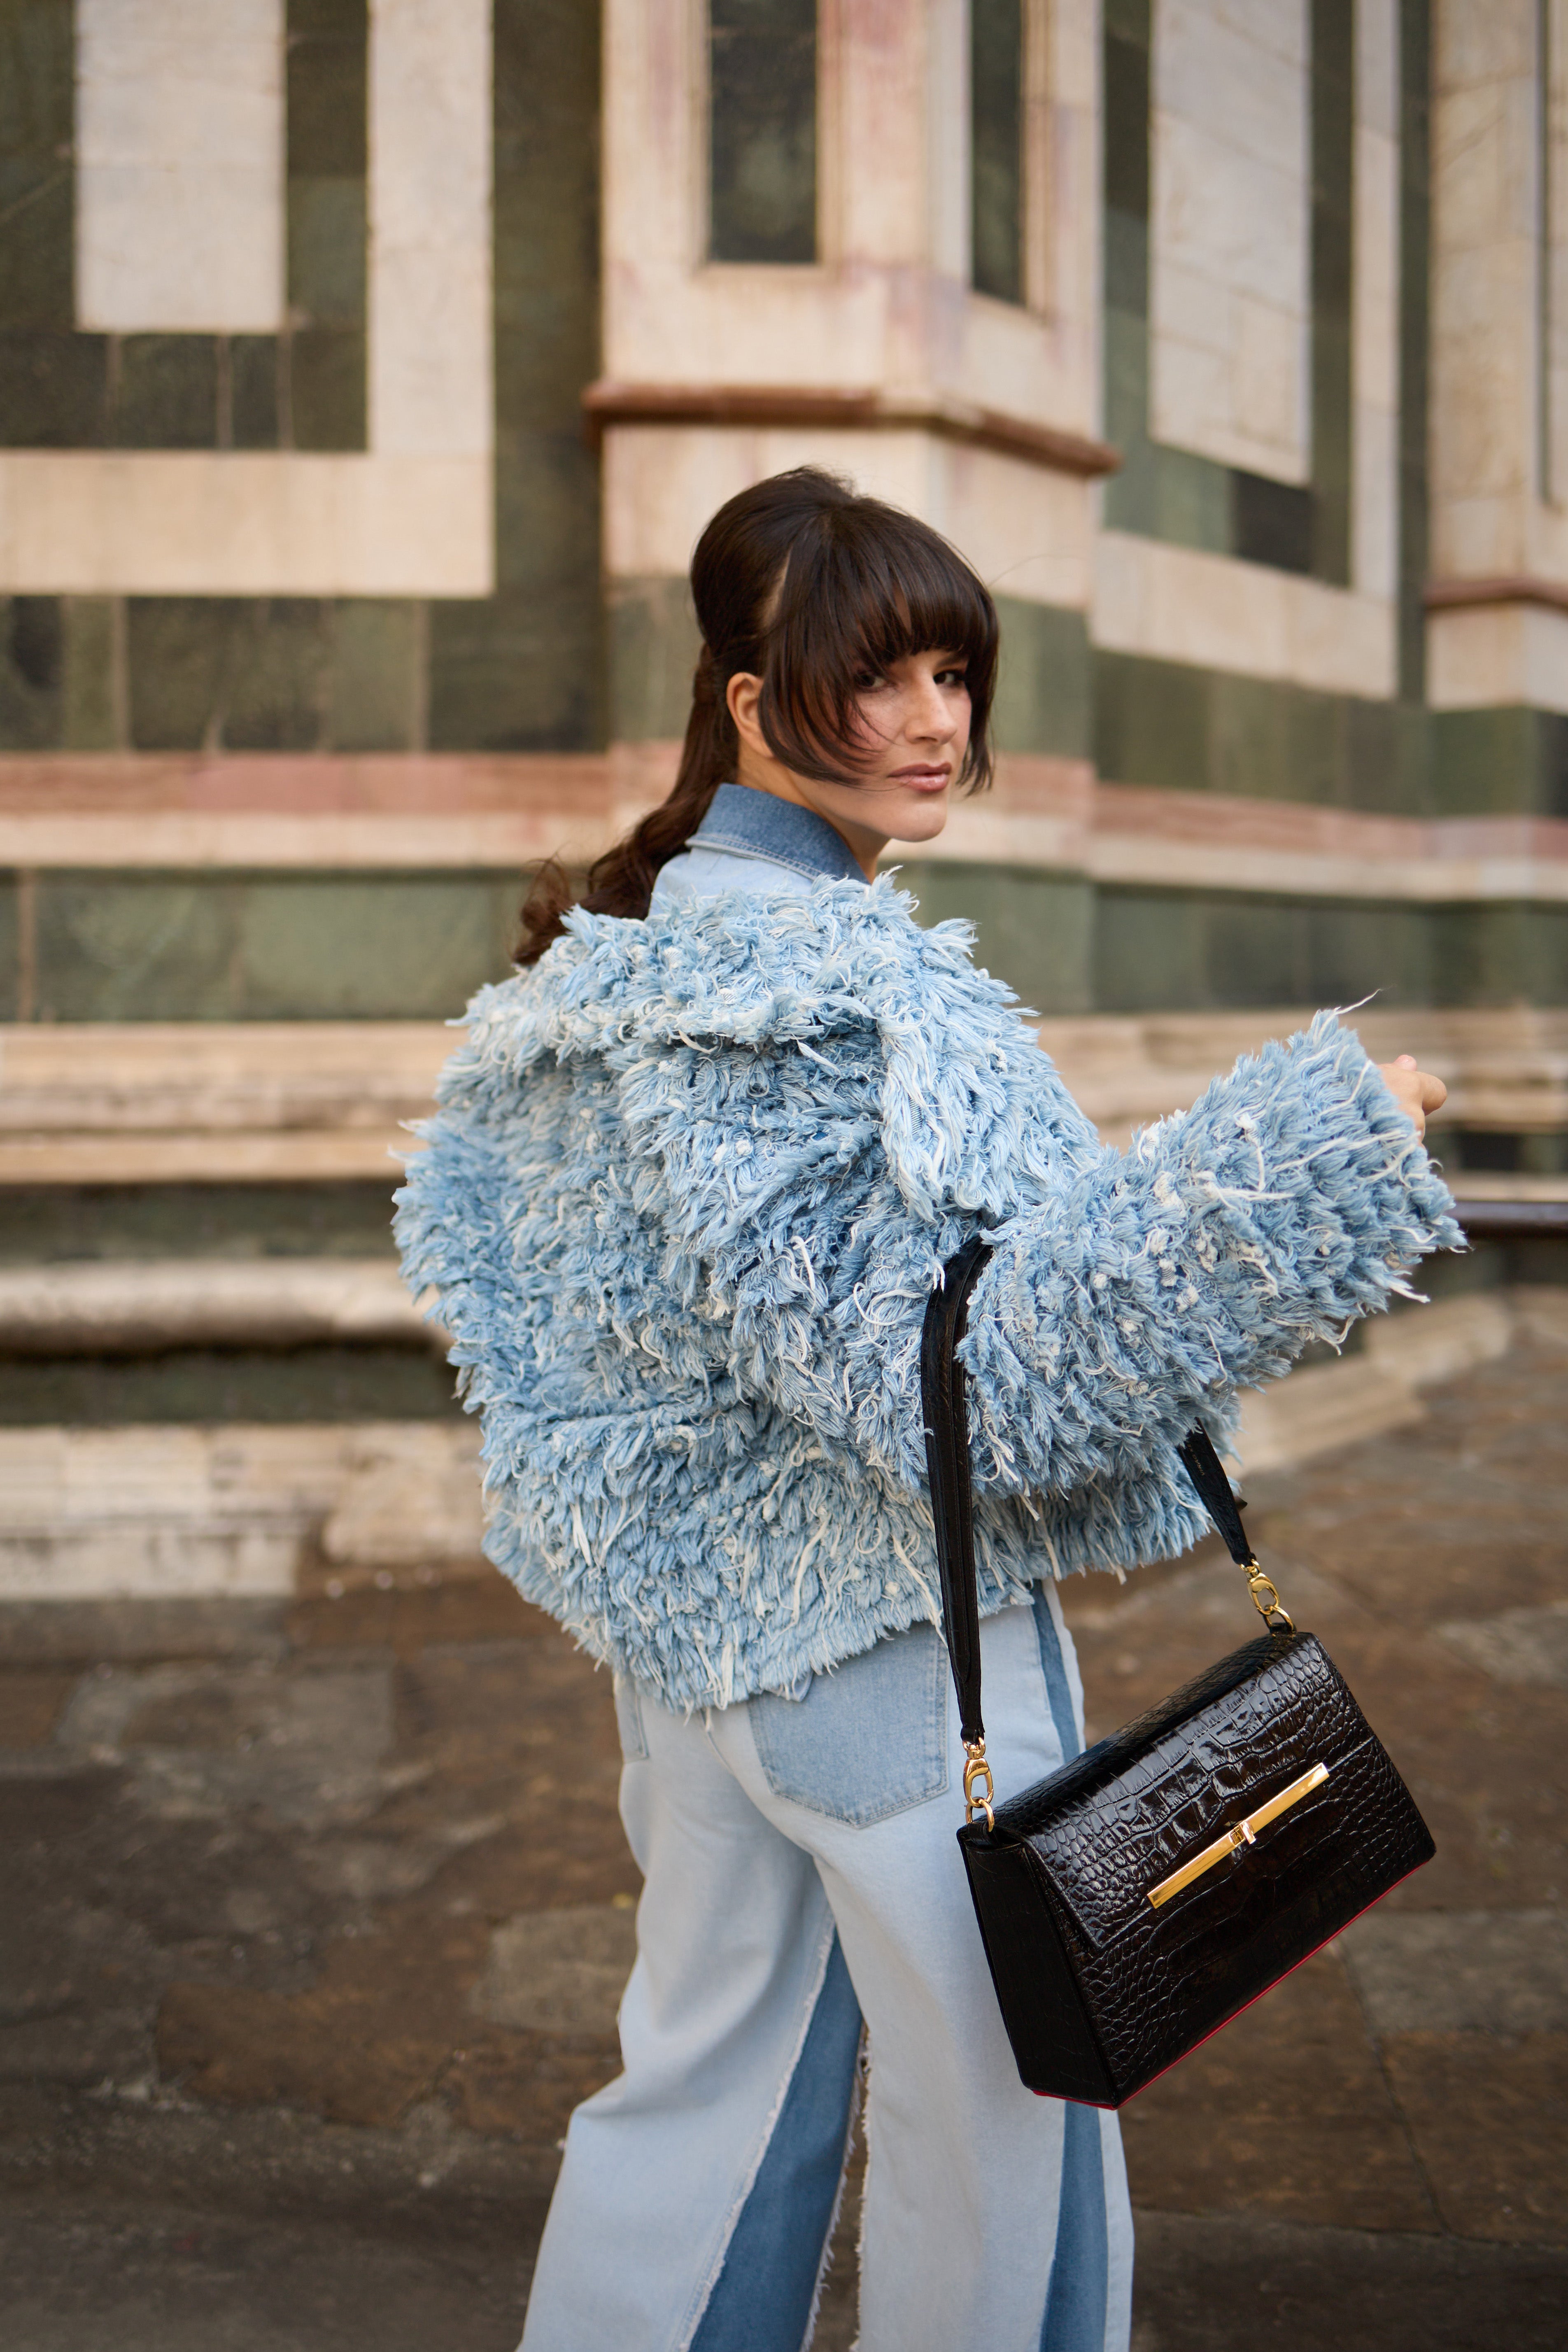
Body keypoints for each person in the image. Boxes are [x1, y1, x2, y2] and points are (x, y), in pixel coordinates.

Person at [396, 468, 1454, 2352]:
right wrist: (1307, 1167)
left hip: (698, 1657)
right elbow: (948, 1375)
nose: (931, 722)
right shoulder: (816, 975)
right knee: (1007, 2123)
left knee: (697, 2102)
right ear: (747, 696)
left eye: (954, 671)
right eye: (872, 675)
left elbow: (617, 1320)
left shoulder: (617, 966)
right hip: (896, 1644)